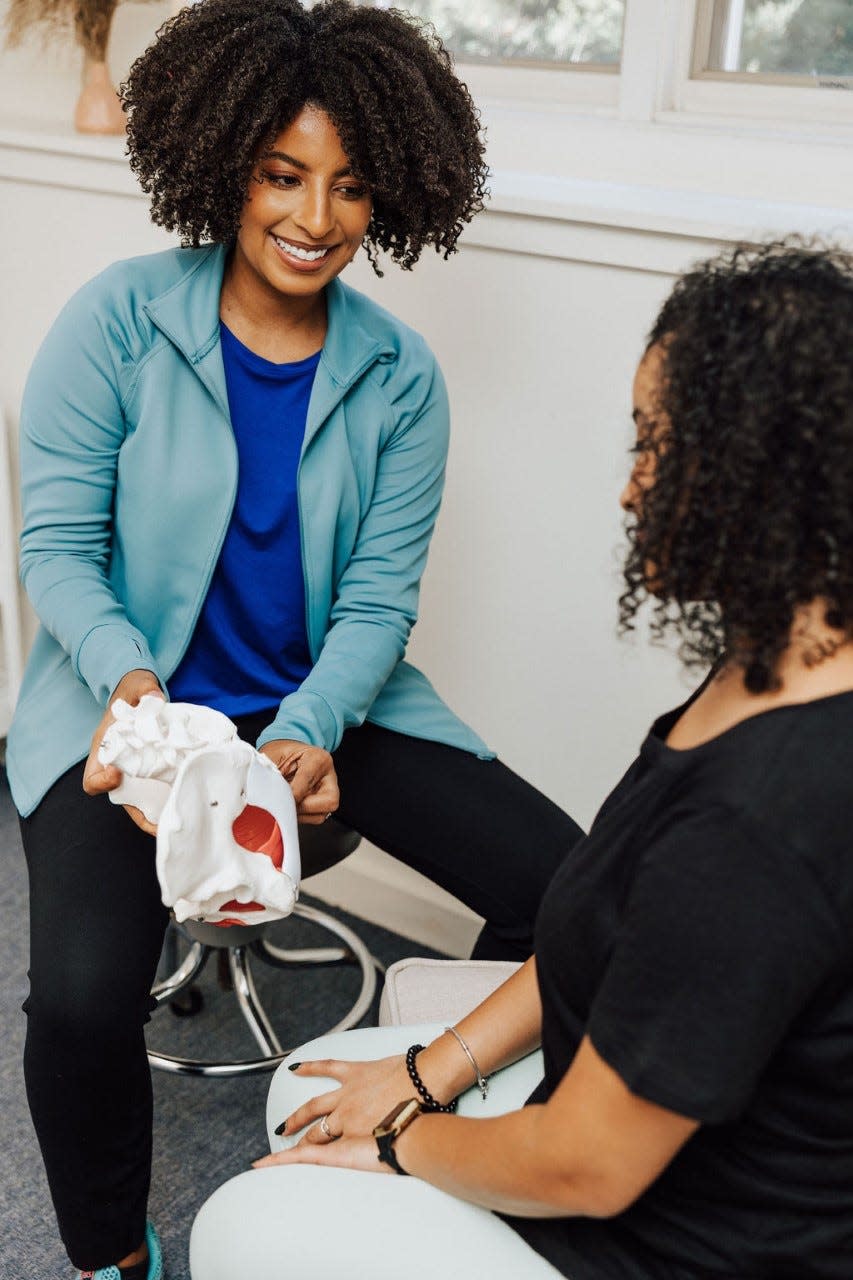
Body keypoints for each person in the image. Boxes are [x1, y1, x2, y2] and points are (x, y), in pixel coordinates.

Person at [7, 3, 585, 1277]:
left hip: (321, 705)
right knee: (82, 1001)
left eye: (350, 186)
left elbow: (378, 603)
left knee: (575, 891)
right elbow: (56, 549)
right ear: (224, 165)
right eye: (282, 174)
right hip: (125, 711)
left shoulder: (400, 377)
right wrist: (143, 698)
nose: (314, 218)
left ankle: (429, 1113)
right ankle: (113, 1255)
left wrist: (310, 729)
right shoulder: (114, 321)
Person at [190, 241, 853, 1280]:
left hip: (670, 1234)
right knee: (303, 1096)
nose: (634, 490)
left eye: (657, 448)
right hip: (617, 1113)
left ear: (759, 482)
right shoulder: (776, 661)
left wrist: (404, 1138)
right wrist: (424, 1069)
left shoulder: (762, 821)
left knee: (237, 1218)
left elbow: (589, 1166)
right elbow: (615, 927)